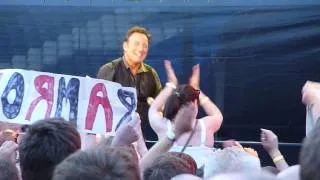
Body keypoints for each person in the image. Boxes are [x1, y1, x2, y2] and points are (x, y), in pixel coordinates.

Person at [148, 60, 223, 167]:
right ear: (195, 104)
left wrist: (171, 85)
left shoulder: (164, 126)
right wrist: (197, 89)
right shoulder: (206, 126)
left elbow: (153, 109)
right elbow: (217, 114)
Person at [97, 26, 162, 142]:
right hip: (111, 137)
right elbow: (98, 106)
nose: (141, 49)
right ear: (125, 46)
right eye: (136, 44)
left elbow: (160, 105)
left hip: (140, 137)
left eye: (145, 46)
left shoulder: (151, 74)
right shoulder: (109, 70)